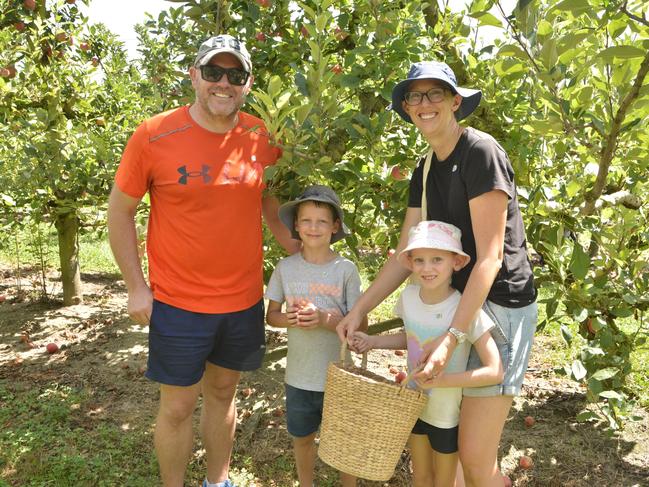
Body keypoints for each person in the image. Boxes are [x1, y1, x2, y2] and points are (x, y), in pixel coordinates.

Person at [107, 34, 299, 487]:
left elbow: (269, 197)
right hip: (178, 303)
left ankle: (219, 481)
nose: (223, 83)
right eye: (213, 72)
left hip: (242, 299)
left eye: (235, 75)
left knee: (223, 393)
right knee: (176, 406)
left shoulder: (260, 134)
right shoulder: (154, 135)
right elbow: (120, 210)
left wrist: (300, 250)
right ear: (194, 76)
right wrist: (136, 286)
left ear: (248, 84)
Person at [337, 61, 538, 487]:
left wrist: (452, 338)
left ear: (455, 101)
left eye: (435, 94)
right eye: (415, 96)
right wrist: (359, 310)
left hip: (498, 305)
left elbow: (490, 259)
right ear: (407, 108)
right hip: (457, 301)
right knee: (461, 450)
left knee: (475, 456)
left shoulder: (480, 153)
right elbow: (404, 252)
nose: (424, 104)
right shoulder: (424, 168)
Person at [351, 220, 503, 487]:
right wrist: (372, 341)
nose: (427, 268)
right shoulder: (409, 298)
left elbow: (495, 371)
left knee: (444, 482)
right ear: (409, 263)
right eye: (419, 260)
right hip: (414, 406)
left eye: (436, 259)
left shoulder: (465, 310)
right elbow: (411, 339)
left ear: (456, 262)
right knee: (420, 477)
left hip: (446, 416)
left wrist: (443, 381)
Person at [265, 185, 367, 487]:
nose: (313, 227)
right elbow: (272, 317)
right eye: (306, 220)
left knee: (345, 443)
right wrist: (292, 319)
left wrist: (323, 319)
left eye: (322, 221)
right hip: (299, 376)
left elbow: (360, 324)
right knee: (303, 438)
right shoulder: (285, 268)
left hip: (339, 376)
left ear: (335, 226)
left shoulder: (345, 270)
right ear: (296, 225)